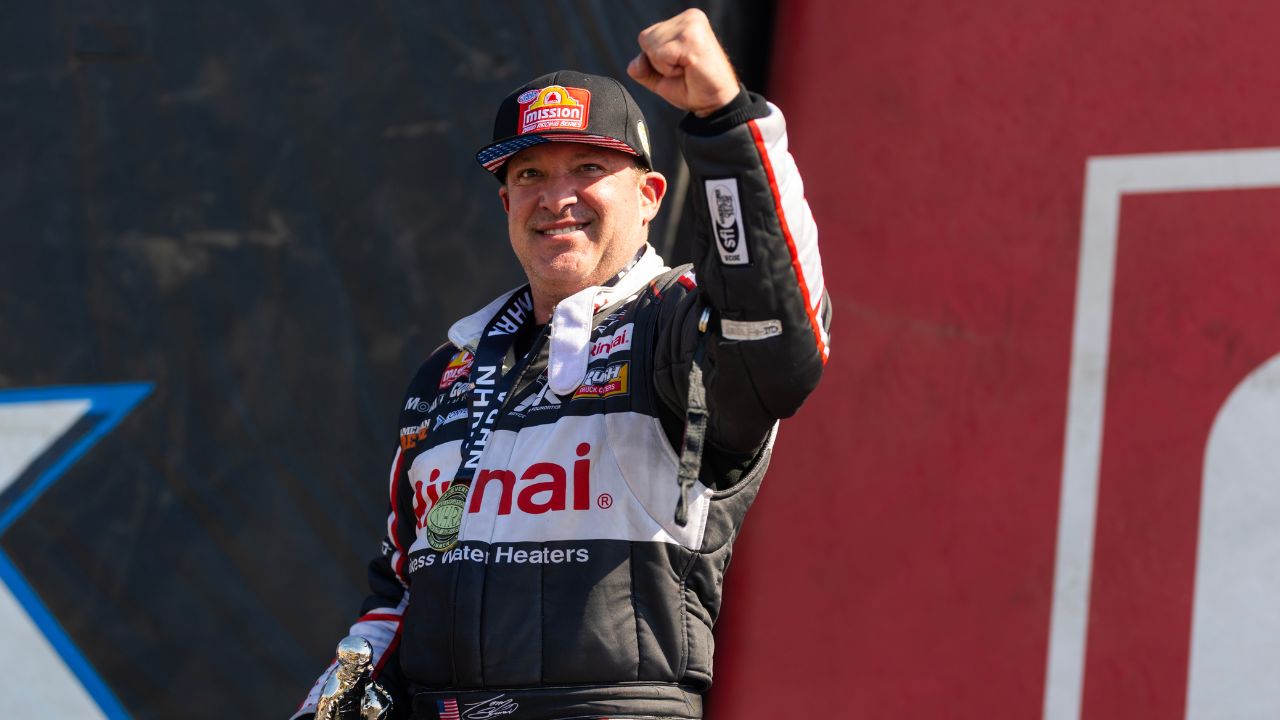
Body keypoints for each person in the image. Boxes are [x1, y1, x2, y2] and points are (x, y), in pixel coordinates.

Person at [293, 9, 830, 720]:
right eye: (529, 174)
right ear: (505, 201)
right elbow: (401, 585)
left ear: (648, 197)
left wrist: (725, 120)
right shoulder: (448, 371)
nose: (556, 198)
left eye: (587, 167)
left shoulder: (677, 328)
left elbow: (783, 343)